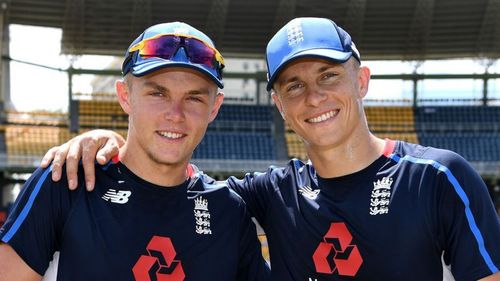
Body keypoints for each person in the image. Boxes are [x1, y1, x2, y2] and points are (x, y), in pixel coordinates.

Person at [40, 17, 500, 281]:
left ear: (361, 81)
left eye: (328, 76)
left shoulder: (439, 177)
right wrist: (109, 142)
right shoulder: (271, 193)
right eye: (294, 85)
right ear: (278, 104)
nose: (313, 98)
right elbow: (169, 178)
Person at [0, 21, 271, 281]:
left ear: (214, 107)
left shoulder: (229, 211)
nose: (175, 115)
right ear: (125, 96)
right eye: (158, 94)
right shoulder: (67, 180)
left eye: (194, 97)